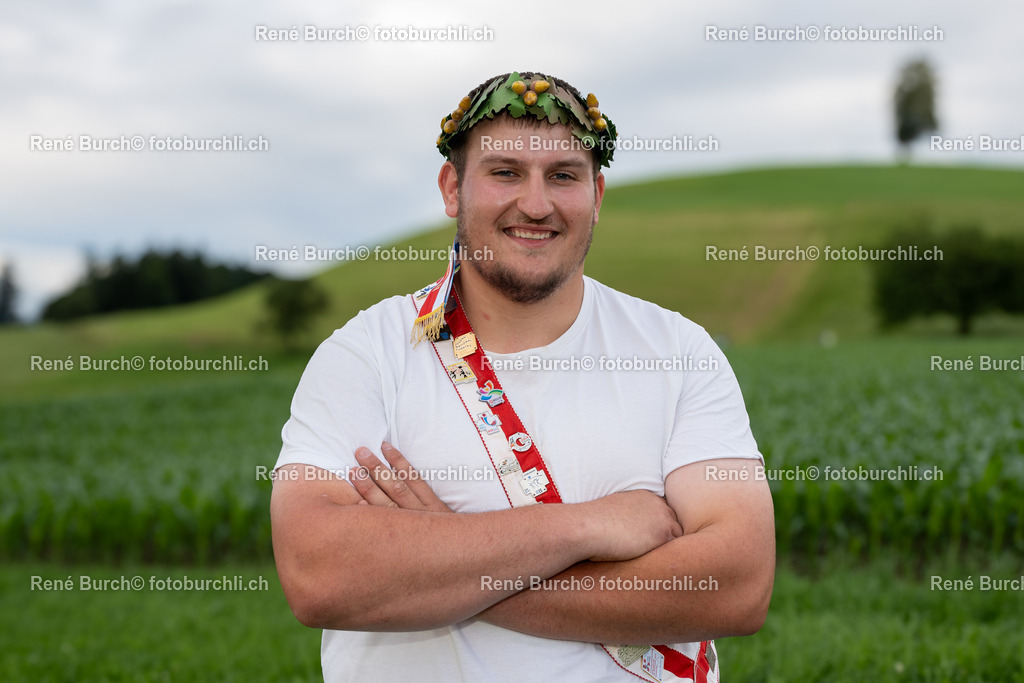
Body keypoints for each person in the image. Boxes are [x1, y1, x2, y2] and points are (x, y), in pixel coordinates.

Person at [271, 70, 774, 683]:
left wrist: (437, 563)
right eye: (505, 172)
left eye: (563, 175)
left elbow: (738, 583)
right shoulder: (364, 355)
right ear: (452, 188)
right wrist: (590, 525)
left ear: (598, 195)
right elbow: (320, 575)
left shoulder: (678, 351)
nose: (536, 204)